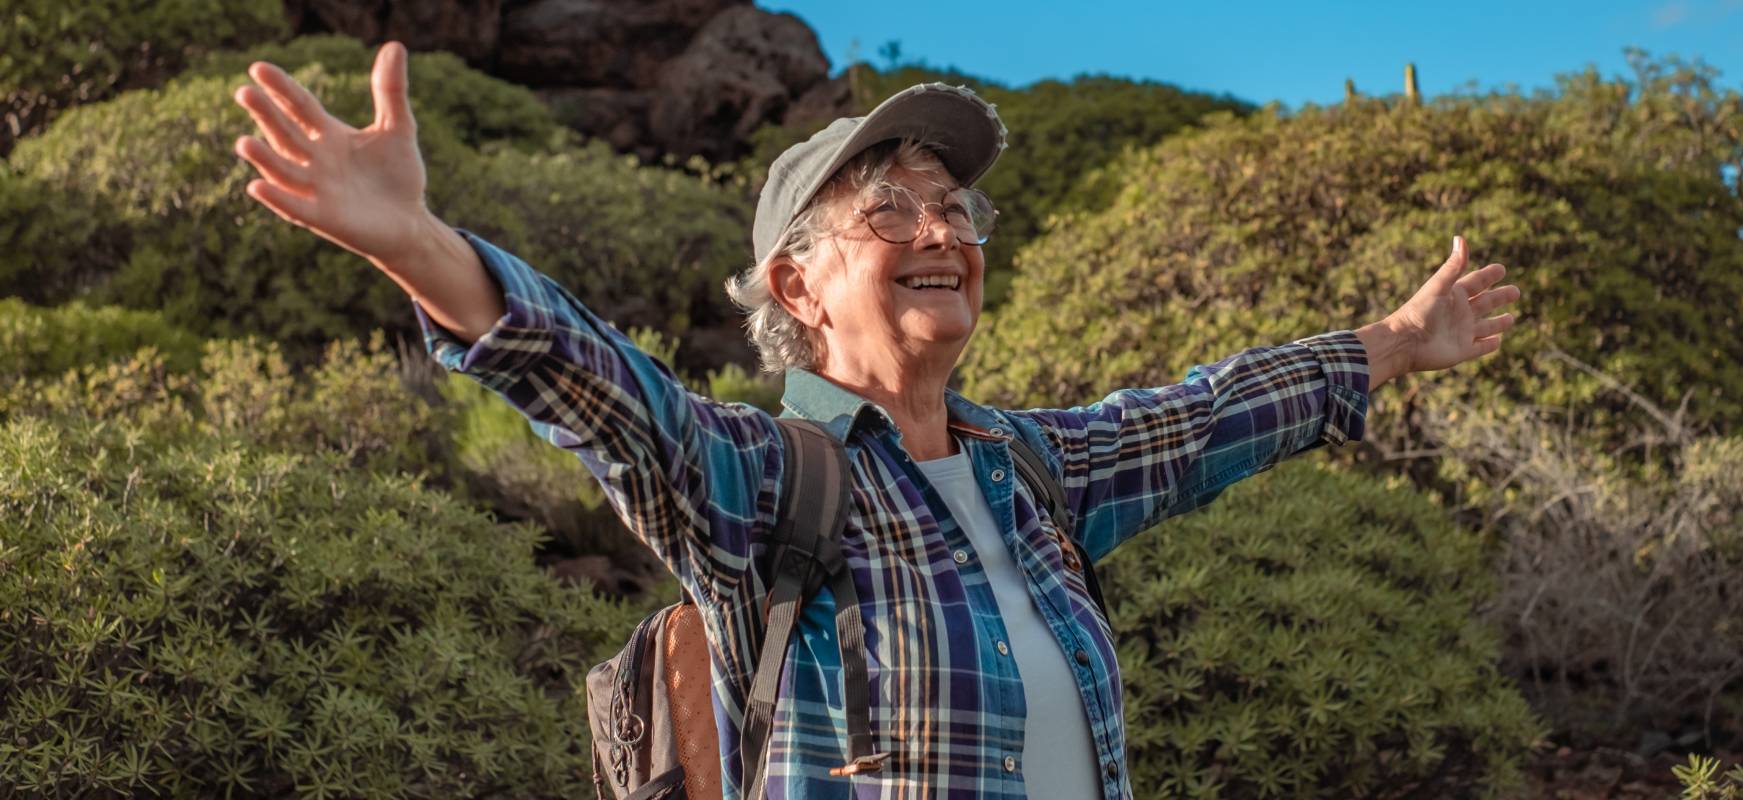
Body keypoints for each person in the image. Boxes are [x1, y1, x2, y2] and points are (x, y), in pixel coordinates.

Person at [230, 42, 1521, 799]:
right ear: (796, 283)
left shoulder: (1031, 469)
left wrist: (1399, 343)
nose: (942, 233)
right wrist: (424, 249)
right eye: (891, 211)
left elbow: (1204, 417)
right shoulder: (753, 479)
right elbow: (605, 395)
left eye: (957, 212)